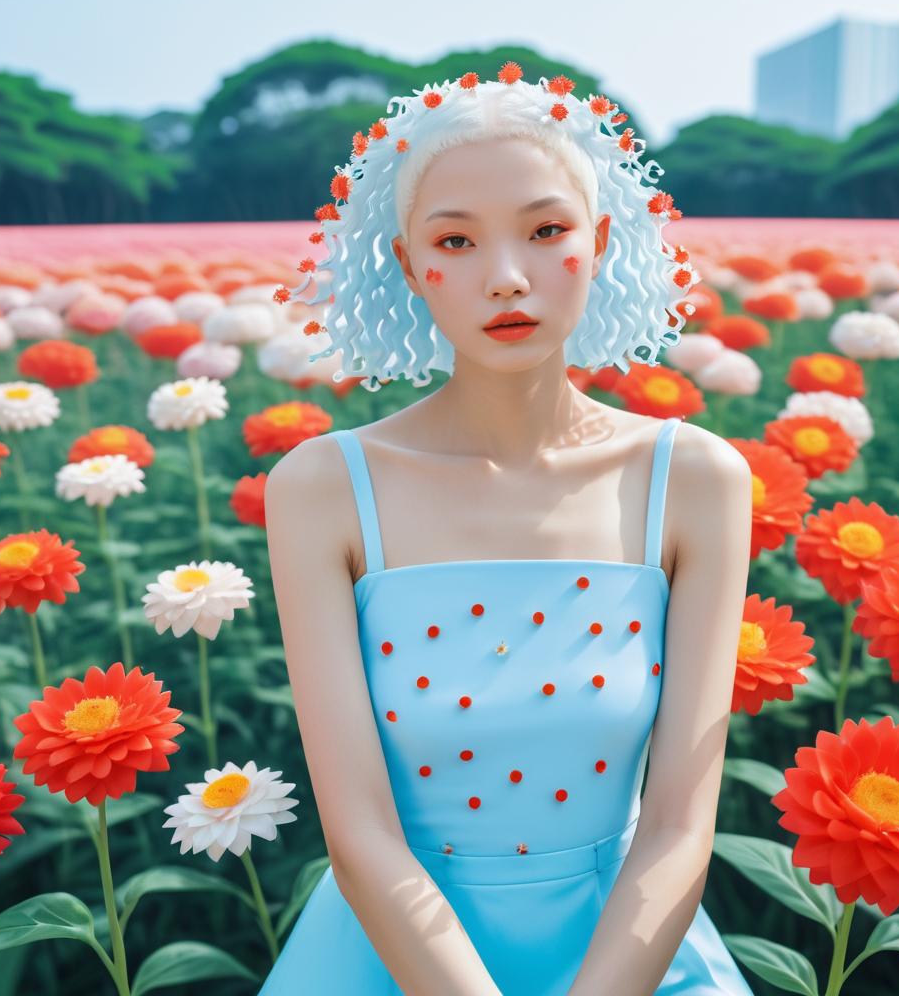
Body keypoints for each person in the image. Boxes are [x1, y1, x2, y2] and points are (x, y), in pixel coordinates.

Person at [261, 65, 754, 995]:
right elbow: (360, 833)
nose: (508, 278)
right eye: (457, 240)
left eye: (545, 231)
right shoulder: (326, 489)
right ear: (410, 265)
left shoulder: (692, 480)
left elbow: (682, 827)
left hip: (633, 952)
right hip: (390, 954)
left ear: (600, 241)